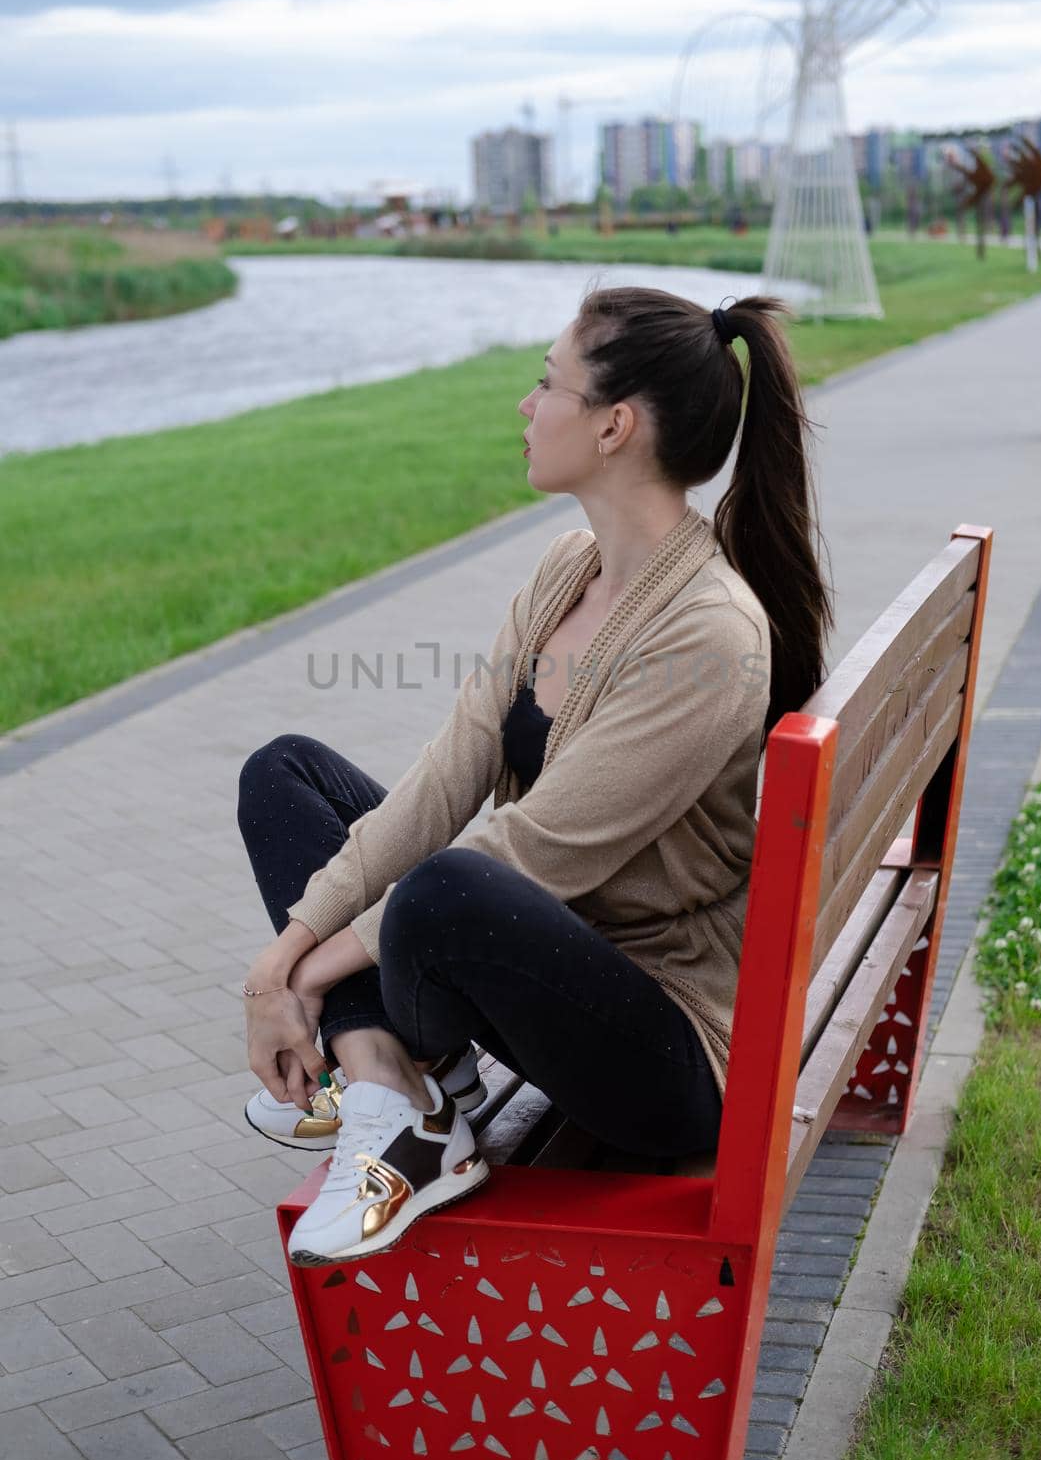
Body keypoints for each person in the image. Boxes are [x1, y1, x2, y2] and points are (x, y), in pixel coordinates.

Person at [237, 285, 833, 1268]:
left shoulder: (708, 634)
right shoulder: (568, 567)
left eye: (543, 381)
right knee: (284, 774)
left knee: (454, 887)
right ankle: (392, 1088)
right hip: (536, 961)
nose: (524, 405)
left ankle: (405, 1096)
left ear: (613, 425)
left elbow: (528, 852)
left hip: (663, 1049)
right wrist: (282, 957)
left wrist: (302, 975)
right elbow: (446, 776)